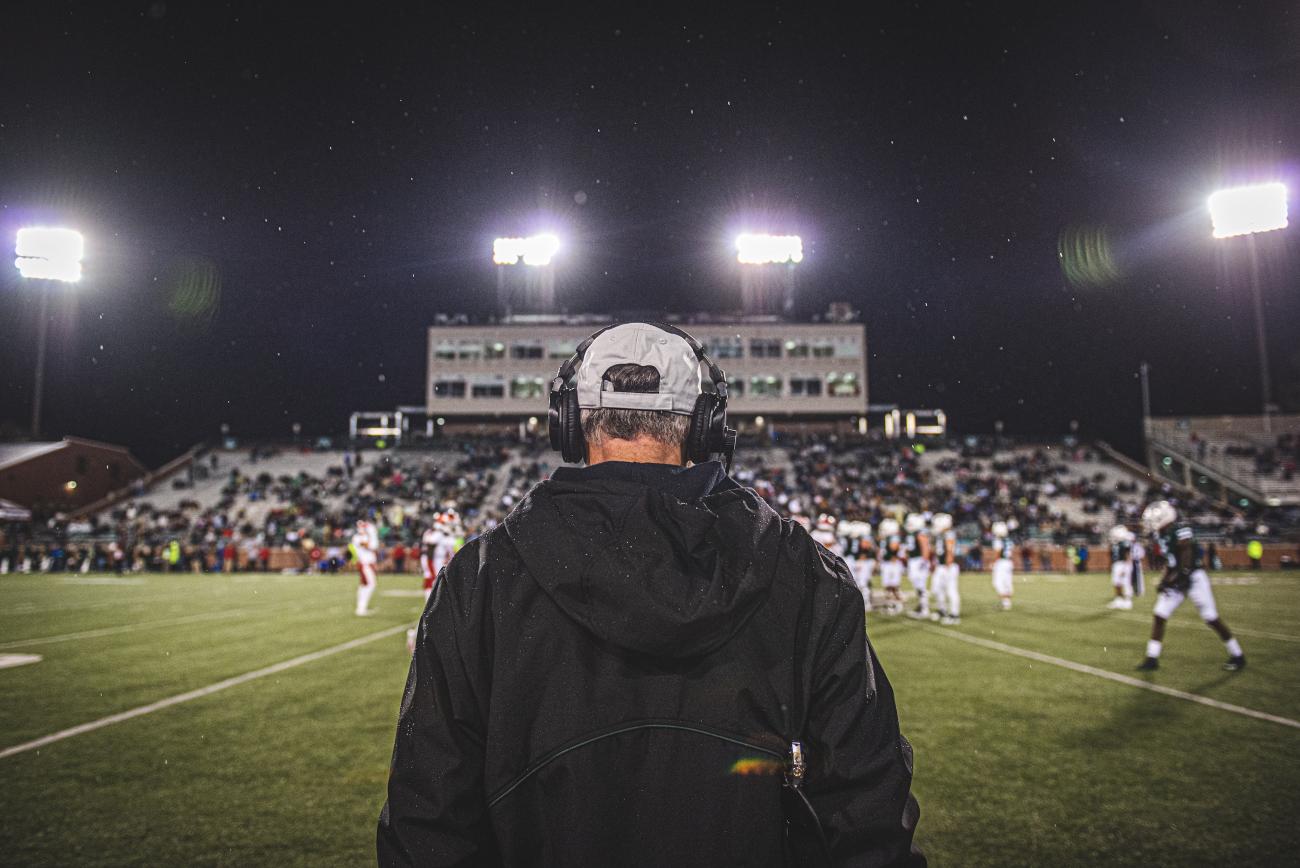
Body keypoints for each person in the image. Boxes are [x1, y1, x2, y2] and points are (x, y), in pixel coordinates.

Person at [378, 321, 923, 866]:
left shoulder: (480, 576)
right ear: (706, 424)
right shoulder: (806, 573)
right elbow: (867, 808)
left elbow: (429, 817)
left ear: (566, 420)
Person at [1136, 501, 1245, 672]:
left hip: (1193, 577)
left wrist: (1184, 573)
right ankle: (1152, 658)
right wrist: (1164, 580)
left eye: (1151, 520)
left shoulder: (1180, 528)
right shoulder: (1161, 535)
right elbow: (1170, 562)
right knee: (1159, 614)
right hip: (1177, 578)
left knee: (1210, 617)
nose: (1148, 524)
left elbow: (1186, 550)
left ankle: (1237, 655)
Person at [930, 513, 961, 625]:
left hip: (948, 566)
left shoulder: (949, 534)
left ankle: (954, 615)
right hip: (941, 566)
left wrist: (948, 565)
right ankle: (942, 610)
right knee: (937, 589)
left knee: (951, 590)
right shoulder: (942, 534)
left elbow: (950, 551)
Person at [903, 513, 933, 619]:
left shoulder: (920, 533)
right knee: (917, 586)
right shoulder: (913, 533)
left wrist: (924, 561)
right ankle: (921, 607)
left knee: (921, 586)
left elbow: (926, 548)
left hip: (919, 561)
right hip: (914, 561)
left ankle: (924, 609)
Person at [878, 517, 905, 615]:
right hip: (887, 563)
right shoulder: (886, 538)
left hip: (892, 564)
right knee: (888, 586)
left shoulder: (893, 537)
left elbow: (894, 547)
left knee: (893, 586)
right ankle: (890, 604)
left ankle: (897, 605)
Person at [352, 518, 379, 616]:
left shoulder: (365, 536)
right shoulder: (357, 538)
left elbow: (374, 546)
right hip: (365, 564)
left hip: (367, 564)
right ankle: (361, 608)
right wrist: (372, 533)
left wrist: (372, 534)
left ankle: (361, 607)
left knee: (364, 585)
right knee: (371, 585)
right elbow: (371, 546)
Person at [1106, 525, 1135, 610]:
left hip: (1123, 564)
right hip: (1117, 564)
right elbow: (1112, 556)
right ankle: (1118, 600)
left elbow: (1128, 556)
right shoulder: (1115, 543)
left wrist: (1126, 568)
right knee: (1116, 583)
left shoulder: (1125, 542)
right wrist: (1111, 565)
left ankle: (1128, 601)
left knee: (1126, 583)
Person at [991, 521, 1014, 610]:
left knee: (997, 583)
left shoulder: (998, 540)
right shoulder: (1008, 539)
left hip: (1001, 562)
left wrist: (994, 563)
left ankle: (1005, 601)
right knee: (1007, 583)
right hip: (1009, 562)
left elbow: (998, 552)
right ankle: (1006, 603)